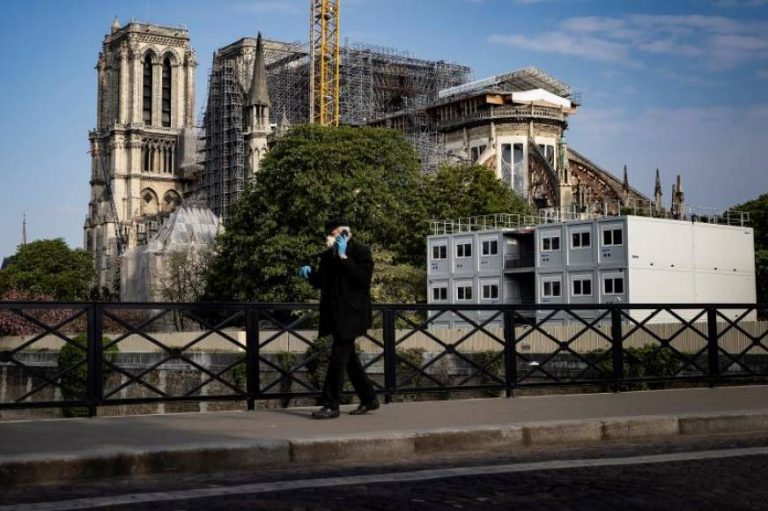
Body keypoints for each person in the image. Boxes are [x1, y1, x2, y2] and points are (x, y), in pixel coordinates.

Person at [299, 218, 380, 419]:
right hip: (334, 315)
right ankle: (369, 398)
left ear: (345, 234)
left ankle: (330, 404)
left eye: (335, 234)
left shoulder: (360, 252)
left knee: (337, 359)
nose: (331, 238)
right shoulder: (328, 256)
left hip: (352, 315)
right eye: (331, 234)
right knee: (349, 360)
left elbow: (362, 279)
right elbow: (321, 282)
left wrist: (344, 257)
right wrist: (309, 274)